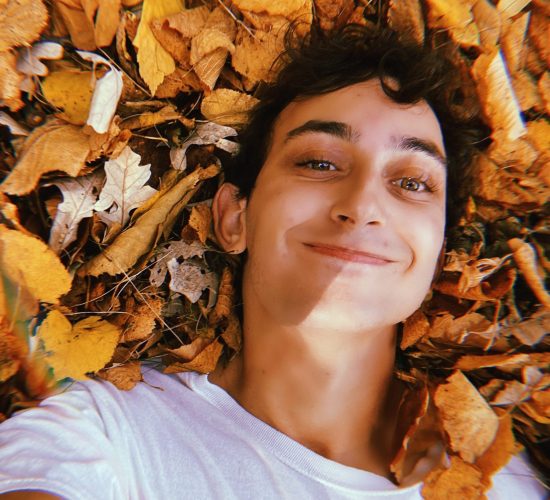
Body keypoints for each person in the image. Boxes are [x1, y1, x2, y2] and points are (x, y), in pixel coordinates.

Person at [0, 25, 545, 499]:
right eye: (319, 162)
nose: (361, 207)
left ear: (439, 255)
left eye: (410, 182)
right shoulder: (106, 440)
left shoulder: (501, 483)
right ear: (235, 218)